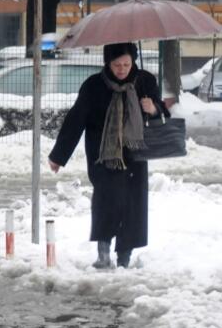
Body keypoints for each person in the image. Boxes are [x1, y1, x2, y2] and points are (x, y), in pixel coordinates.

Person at [48, 42, 168, 269]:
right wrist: (58, 156)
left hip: (135, 153)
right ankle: (103, 252)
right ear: (108, 63)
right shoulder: (94, 86)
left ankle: (125, 256)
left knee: (132, 205)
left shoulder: (145, 82)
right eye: (116, 65)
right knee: (106, 201)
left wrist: (153, 109)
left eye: (126, 64)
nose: (122, 69)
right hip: (103, 155)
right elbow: (75, 120)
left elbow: (162, 112)